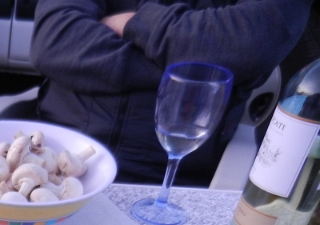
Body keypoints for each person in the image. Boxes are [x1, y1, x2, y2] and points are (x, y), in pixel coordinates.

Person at [30, 0, 314, 186]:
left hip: (172, 181)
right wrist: (196, 70)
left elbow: (249, 43)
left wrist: (132, 23)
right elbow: (55, 40)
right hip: (47, 165)